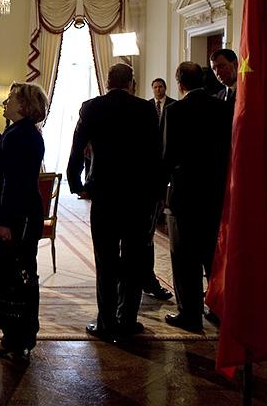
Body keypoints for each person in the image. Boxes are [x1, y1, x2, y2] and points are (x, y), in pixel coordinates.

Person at [66, 63, 162, 342]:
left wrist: (77, 185)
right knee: (133, 258)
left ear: (107, 82)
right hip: (137, 195)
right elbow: (156, 155)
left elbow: (76, 149)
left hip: (104, 193)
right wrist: (156, 194)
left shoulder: (91, 107)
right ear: (131, 82)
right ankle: (128, 320)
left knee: (105, 258)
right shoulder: (145, 109)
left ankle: (105, 322)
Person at [0, 82, 48, 361]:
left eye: (11, 98)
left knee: (17, 276)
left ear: (24, 106)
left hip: (16, 218)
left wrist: (3, 221)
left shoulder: (21, 136)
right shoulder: (18, 132)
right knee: (15, 274)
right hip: (19, 215)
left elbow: (14, 183)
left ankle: (18, 339)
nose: (5, 101)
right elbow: (4, 158)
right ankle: (15, 338)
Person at [162, 62, 232, 332]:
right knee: (213, 255)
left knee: (184, 257)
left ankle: (189, 314)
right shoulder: (223, 108)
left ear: (179, 83)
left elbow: (167, 157)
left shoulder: (175, 110)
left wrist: (160, 194)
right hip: (216, 192)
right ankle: (217, 308)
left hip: (185, 194)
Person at [142, 78, 176, 301]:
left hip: (149, 183)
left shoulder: (173, 108)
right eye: (154, 87)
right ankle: (145, 281)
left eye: (160, 86)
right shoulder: (145, 109)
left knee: (144, 239)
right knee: (143, 240)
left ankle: (143, 281)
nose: (158, 90)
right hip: (147, 184)